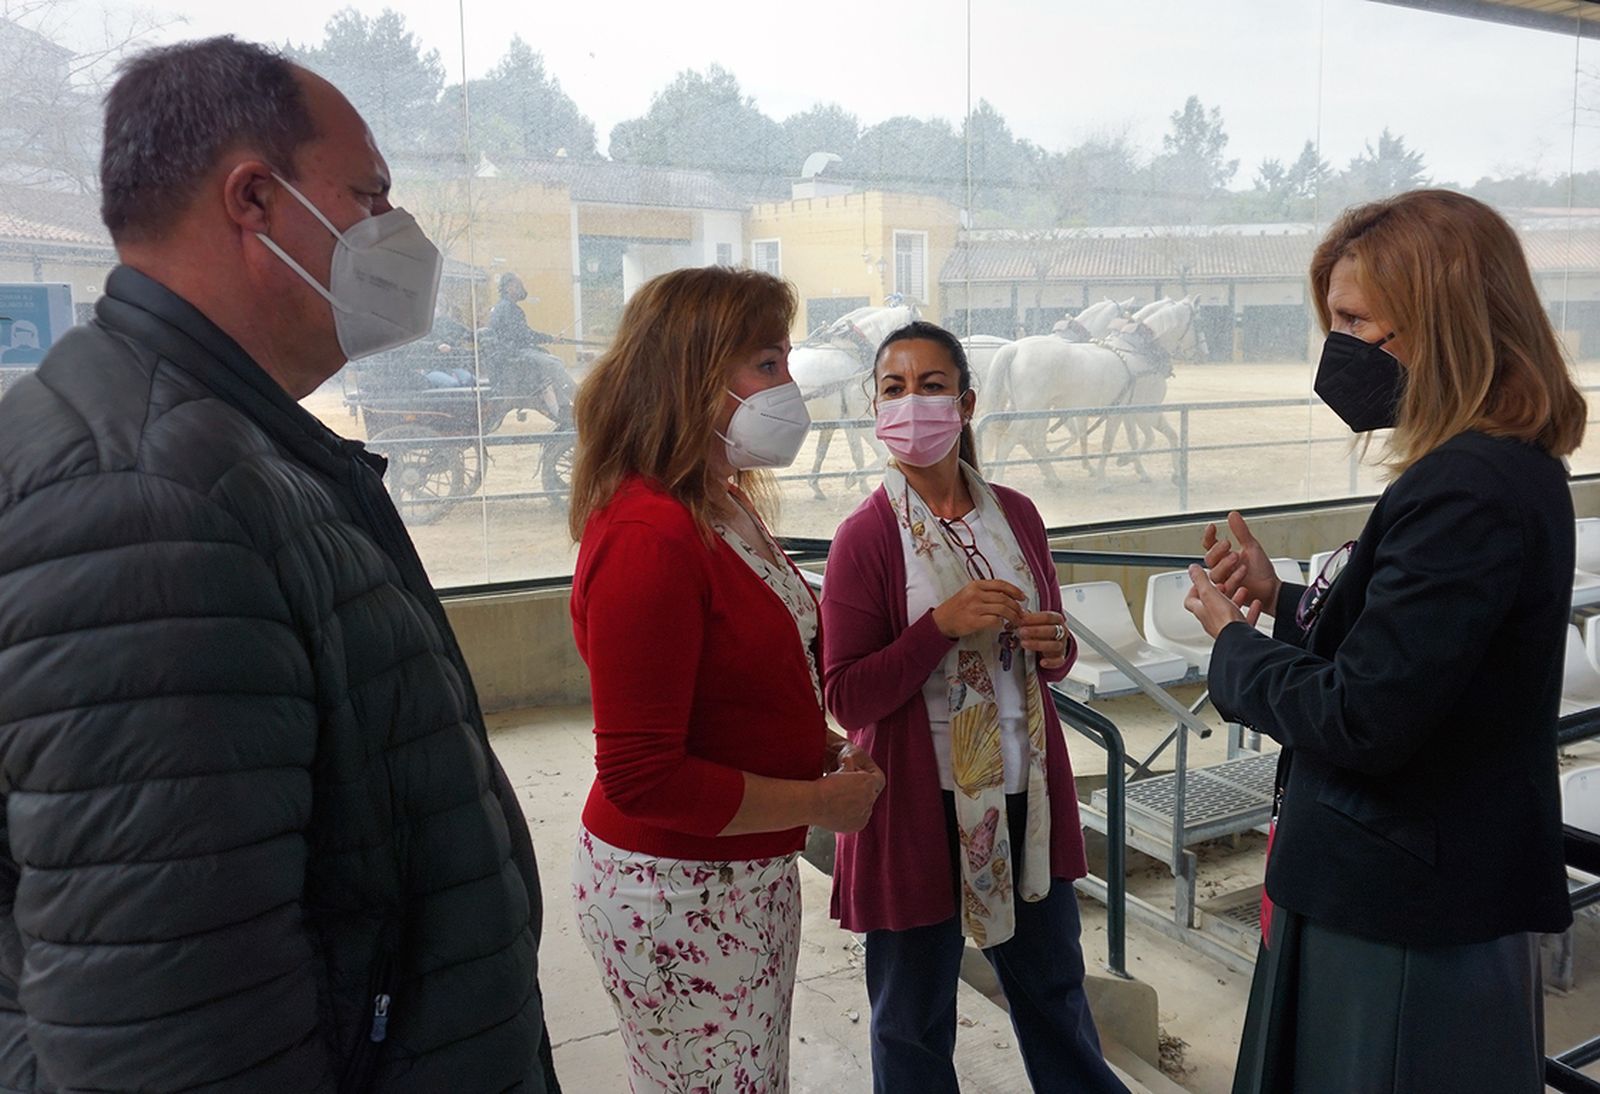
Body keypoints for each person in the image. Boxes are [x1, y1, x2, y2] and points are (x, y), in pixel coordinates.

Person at [0, 37, 559, 1091]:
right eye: (372, 195)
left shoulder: (230, 447)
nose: (403, 233)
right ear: (254, 198)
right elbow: (173, 1037)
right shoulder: (144, 505)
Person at [1184, 189, 1584, 1094]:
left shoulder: (1467, 487)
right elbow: (1417, 655)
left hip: (1404, 904)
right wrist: (1284, 603)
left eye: (1356, 320)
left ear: (1441, 325)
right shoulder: (1497, 469)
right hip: (1416, 886)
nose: (1339, 351)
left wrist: (1229, 643)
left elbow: (1366, 715)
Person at [567, 265, 885, 1092]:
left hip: (739, 874)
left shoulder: (719, 501)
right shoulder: (649, 535)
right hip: (678, 891)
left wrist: (809, 744)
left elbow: (728, 676)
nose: (788, 386)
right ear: (691, 374)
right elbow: (642, 774)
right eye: (765, 364)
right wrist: (821, 805)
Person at [820, 320, 1127, 1093]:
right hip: (920, 810)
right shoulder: (865, 537)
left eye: (931, 386)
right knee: (912, 1017)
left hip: (1023, 795)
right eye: (894, 388)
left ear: (967, 402)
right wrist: (938, 628)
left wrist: (1054, 647)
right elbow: (846, 692)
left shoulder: (1015, 514)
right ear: (874, 407)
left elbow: (1052, 647)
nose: (913, 403)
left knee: (1054, 992)